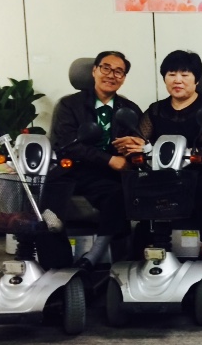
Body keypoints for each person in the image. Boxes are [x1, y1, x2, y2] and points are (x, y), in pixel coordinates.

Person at [117, 50, 202, 263]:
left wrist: (152, 149)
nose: (177, 80)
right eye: (171, 74)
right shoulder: (156, 110)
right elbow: (141, 139)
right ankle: (144, 247)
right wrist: (134, 145)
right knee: (138, 182)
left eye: (185, 75)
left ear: (196, 80)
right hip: (166, 172)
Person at [50, 51, 142, 270]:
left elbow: (141, 144)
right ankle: (54, 261)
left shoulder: (130, 110)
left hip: (106, 175)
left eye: (118, 72)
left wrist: (134, 148)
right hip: (72, 169)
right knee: (47, 198)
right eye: (106, 68)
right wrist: (109, 159)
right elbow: (66, 144)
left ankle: (94, 255)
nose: (111, 75)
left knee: (118, 193)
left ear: (124, 78)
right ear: (94, 70)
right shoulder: (69, 105)